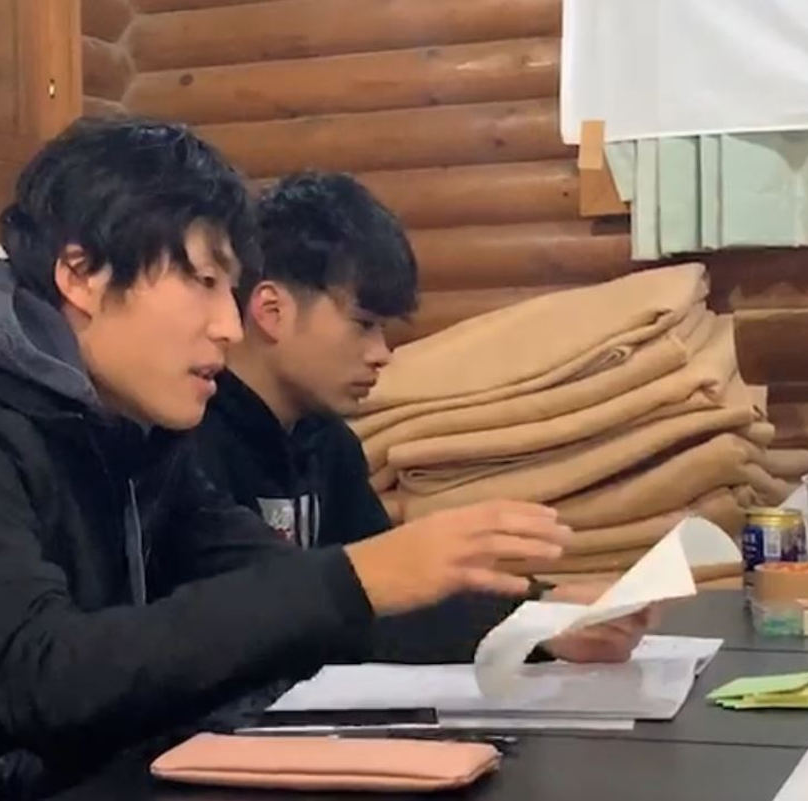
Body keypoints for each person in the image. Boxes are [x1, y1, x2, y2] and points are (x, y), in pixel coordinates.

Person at [0, 118, 573, 801]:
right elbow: (41, 672)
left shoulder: (132, 428)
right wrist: (360, 577)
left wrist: (535, 626)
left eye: (234, 289)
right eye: (203, 282)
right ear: (81, 274)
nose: (227, 323)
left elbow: (280, 587)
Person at [194, 171, 653, 664]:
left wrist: (543, 612)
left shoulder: (328, 442)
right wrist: (530, 622)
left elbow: (390, 598)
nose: (382, 354)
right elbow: (269, 622)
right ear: (271, 311)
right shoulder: (191, 446)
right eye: (364, 325)